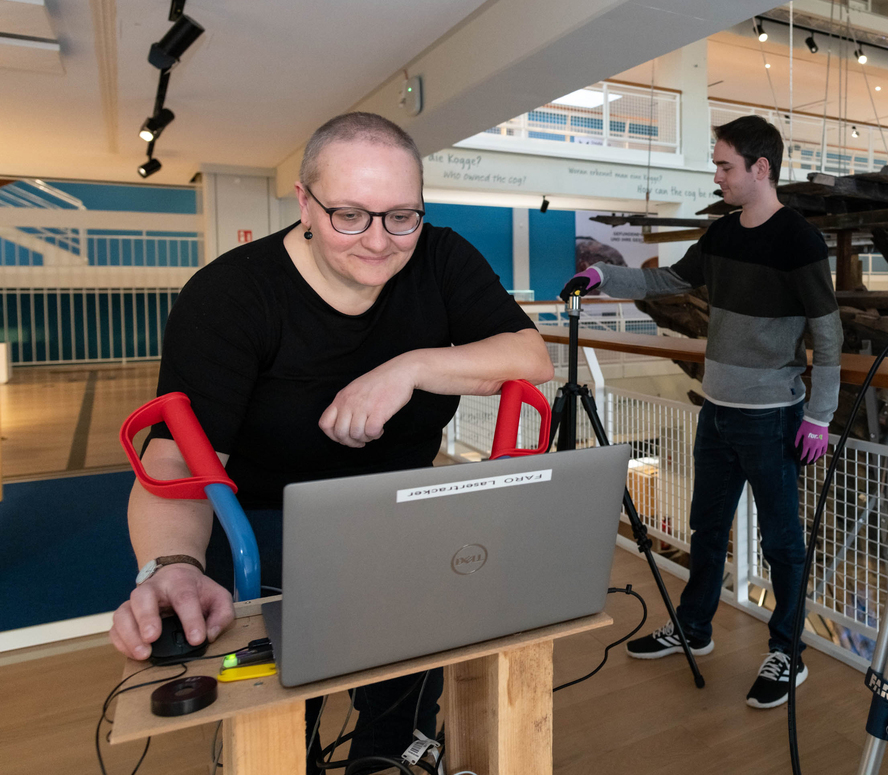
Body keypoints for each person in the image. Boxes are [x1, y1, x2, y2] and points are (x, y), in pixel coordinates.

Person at [107, 112, 553, 773]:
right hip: (261, 528)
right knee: (283, 716)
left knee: (403, 699)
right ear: (304, 204)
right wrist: (171, 564)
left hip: (398, 512)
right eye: (350, 214)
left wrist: (410, 367)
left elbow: (530, 357)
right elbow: (174, 457)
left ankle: (390, 752)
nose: (379, 241)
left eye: (401, 215)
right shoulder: (232, 297)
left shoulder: (440, 256)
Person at [560, 115, 842, 709]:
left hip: (771, 416)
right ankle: (694, 627)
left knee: (782, 541)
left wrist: (819, 415)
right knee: (706, 529)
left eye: (724, 166)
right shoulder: (722, 232)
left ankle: (788, 652)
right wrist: (603, 274)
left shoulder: (800, 239)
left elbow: (828, 330)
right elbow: (670, 279)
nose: (717, 176)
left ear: (760, 168)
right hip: (716, 410)